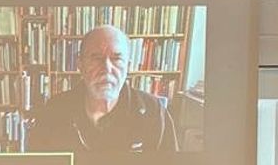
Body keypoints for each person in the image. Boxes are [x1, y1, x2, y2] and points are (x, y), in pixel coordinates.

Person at [28, 25, 177, 154]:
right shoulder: (54, 110)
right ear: (80, 64)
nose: (106, 68)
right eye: (96, 58)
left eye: (116, 58)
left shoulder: (153, 112)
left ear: (128, 66)